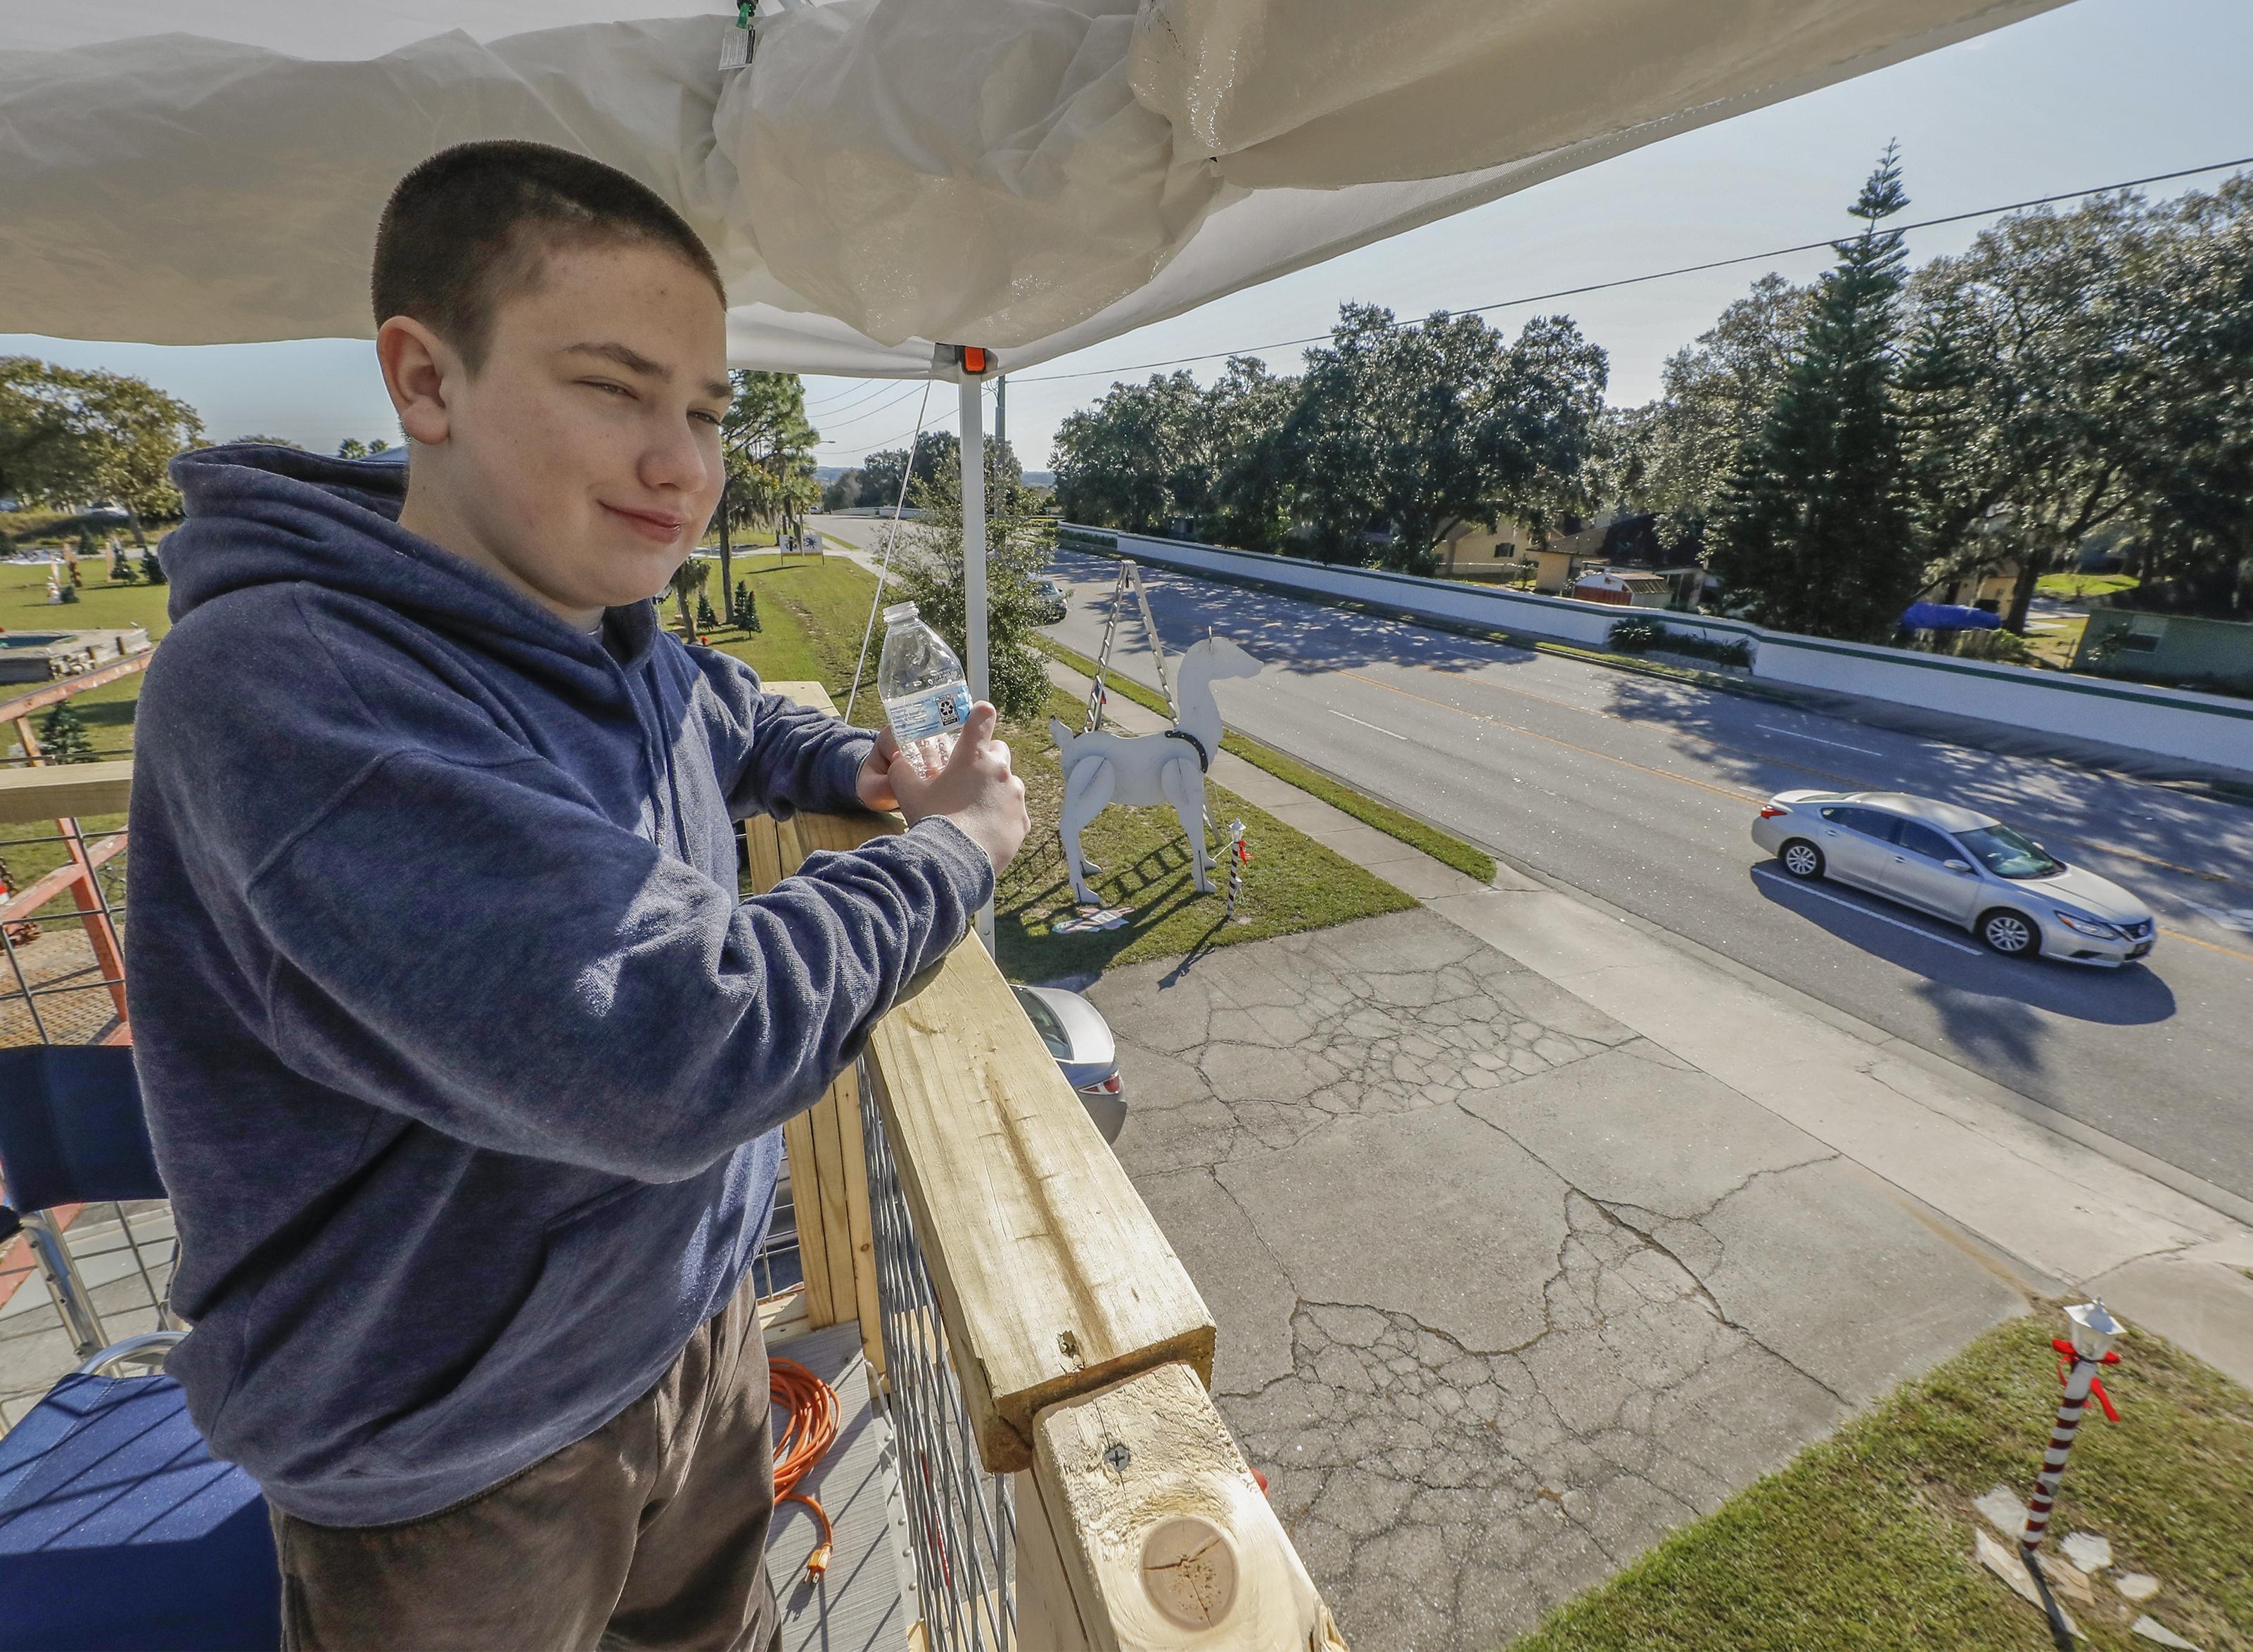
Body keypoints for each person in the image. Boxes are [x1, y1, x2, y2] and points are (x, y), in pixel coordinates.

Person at [127, 139, 1029, 1651]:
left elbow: (711, 707)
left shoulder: (592, 613)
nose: (682, 462)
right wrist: (958, 845)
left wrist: (844, 768)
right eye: (614, 389)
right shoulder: (292, 688)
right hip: (455, 1463)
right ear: (425, 381)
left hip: (690, 1325)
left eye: (703, 409)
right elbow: (678, 1038)